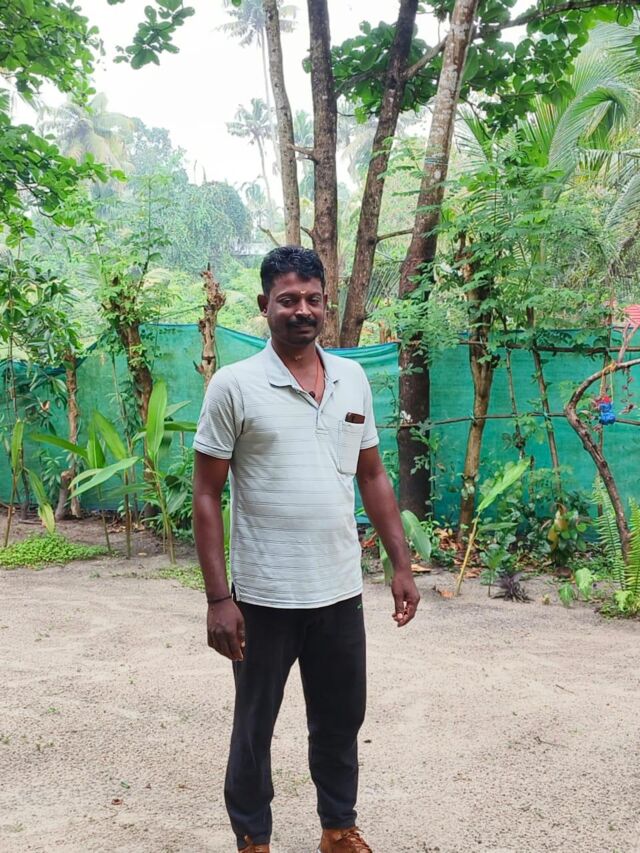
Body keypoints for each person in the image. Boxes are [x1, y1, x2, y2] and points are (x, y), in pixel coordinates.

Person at [192, 246, 420, 853]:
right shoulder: (234, 386)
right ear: (264, 304)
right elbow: (207, 494)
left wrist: (400, 564)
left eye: (313, 299)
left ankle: (338, 829)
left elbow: (372, 475)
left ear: (326, 304)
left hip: (339, 590)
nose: (302, 311)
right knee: (254, 727)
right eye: (288, 299)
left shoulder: (352, 379)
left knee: (341, 719)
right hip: (264, 596)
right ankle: (253, 839)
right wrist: (218, 599)